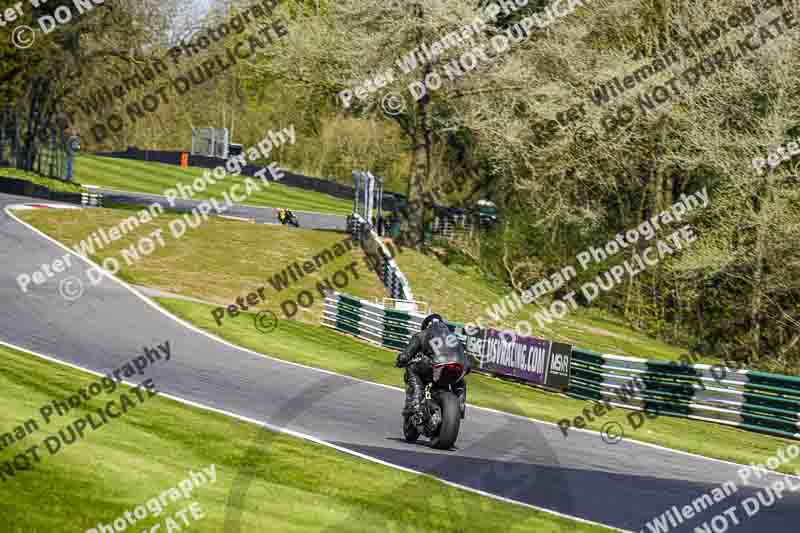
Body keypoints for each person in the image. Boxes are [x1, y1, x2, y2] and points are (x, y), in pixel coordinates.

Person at [395, 314, 469, 427]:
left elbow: (405, 356)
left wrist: (400, 361)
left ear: (426, 325)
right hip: (457, 367)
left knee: (411, 368)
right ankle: (460, 406)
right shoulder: (454, 337)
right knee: (460, 380)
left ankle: (416, 404)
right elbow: (467, 364)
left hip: (435, 366)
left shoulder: (421, 335)